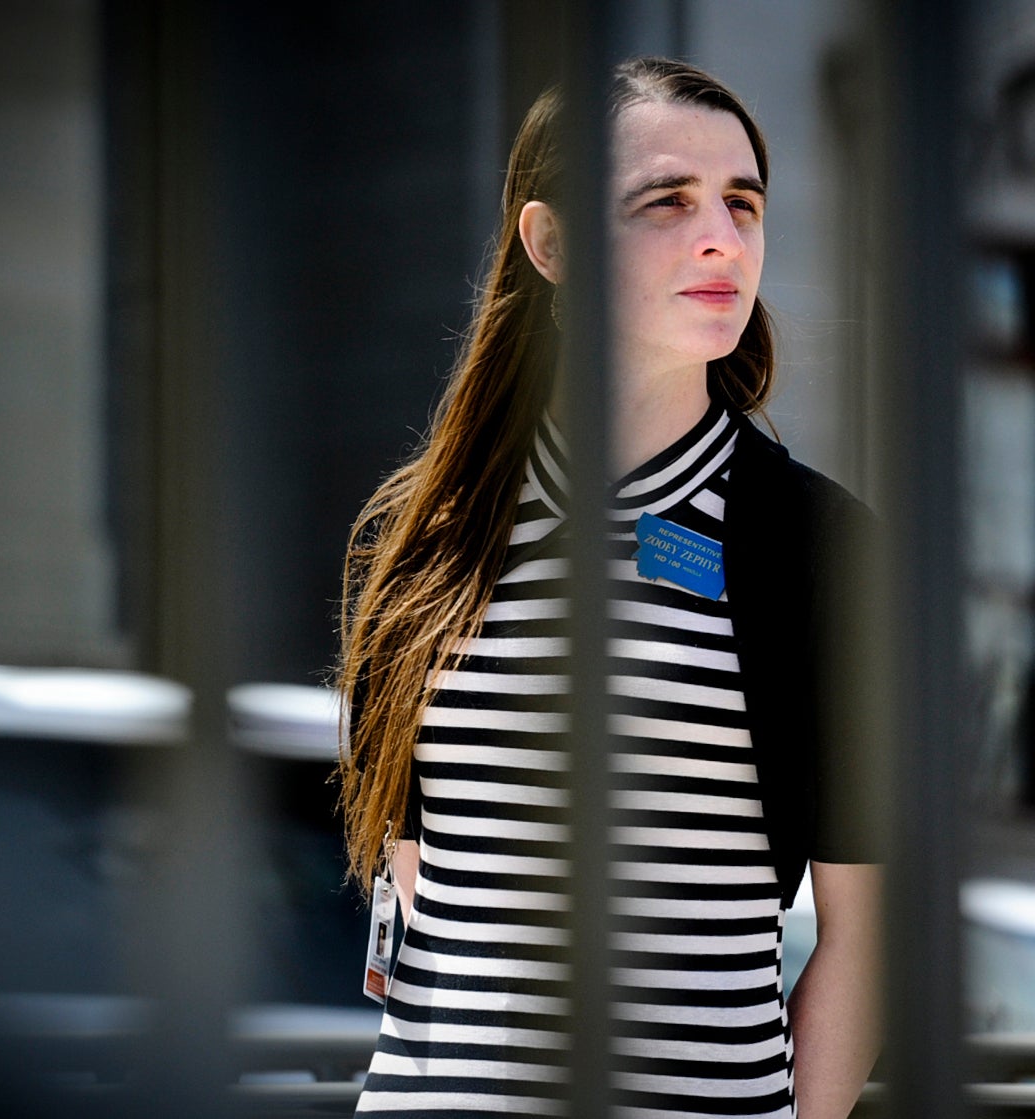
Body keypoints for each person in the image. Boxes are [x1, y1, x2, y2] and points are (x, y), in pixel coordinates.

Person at [336, 57, 882, 1118]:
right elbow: (419, 893)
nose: (722, 235)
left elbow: (872, 940)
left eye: (743, 202)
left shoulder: (816, 548)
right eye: (666, 202)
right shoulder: (422, 538)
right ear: (550, 245)